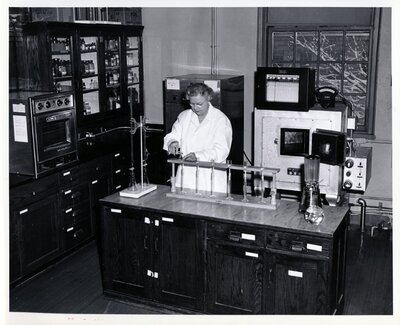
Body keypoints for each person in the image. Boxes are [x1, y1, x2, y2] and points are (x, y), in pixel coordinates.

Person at [163, 83, 232, 193]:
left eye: (199, 104)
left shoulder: (220, 120)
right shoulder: (184, 116)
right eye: (192, 104)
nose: (195, 108)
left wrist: (198, 156)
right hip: (186, 177)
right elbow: (173, 135)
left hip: (210, 178)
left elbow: (221, 150)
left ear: (208, 98)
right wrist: (172, 142)